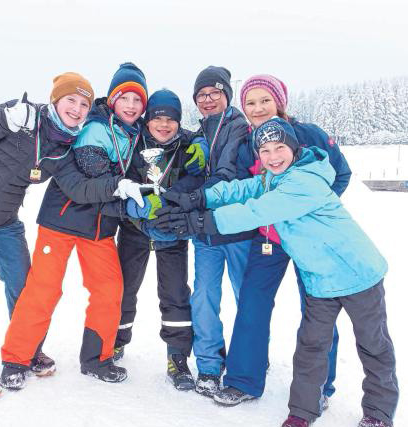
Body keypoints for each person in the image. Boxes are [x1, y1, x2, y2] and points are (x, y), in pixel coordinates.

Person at [152, 117, 398, 427]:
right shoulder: (273, 178)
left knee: (373, 344)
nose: (272, 156)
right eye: (264, 150)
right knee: (311, 347)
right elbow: (240, 189)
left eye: (279, 147)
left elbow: (256, 211)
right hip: (319, 281)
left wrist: (198, 223)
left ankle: (378, 412)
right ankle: (302, 411)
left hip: (357, 275)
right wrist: (197, 198)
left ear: (294, 149)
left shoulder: (304, 181)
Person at [0, 71, 143, 402]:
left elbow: (76, 186)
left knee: (25, 284)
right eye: (70, 101)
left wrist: (115, 187)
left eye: (83, 104)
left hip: (3, 218)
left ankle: (27, 350)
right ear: (56, 100)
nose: (76, 109)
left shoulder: (65, 147)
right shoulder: (22, 116)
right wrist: (3, 119)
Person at [0, 63, 148, 389]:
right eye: (125, 97)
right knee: (44, 289)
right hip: (63, 221)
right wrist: (121, 185)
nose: (132, 106)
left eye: (138, 101)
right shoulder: (92, 126)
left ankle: (97, 359)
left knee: (110, 291)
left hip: (101, 228)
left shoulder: (135, 134)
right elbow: (90, 173)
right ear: (112, 99)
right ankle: (16, 358)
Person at [207, 74, 352, 406]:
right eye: (250, 103)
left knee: (317, 309)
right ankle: (243, 380)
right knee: (252, 303)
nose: (257, 109)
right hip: (268, 238)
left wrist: (308, 208)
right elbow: (246, 190)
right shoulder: (247, 143)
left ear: (280, 101)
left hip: (309, 238)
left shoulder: (309, 134)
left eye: (264, 101)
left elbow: (340, 173)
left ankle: (319, 386)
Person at [167, 66, 254, 397]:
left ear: (227, 95)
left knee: (247, 298)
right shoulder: (198, 132)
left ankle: (248, 358)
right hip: (204, 232)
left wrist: (190, 198)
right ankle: (208, 364)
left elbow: (229, 174)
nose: (207, 100)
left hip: (237, 227)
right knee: (203, 296)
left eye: (214, 93)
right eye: (201, 95)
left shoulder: (240, 128)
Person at [114, 89, 208, 390]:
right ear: (148, 119)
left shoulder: (189, 144)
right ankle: (116, 341)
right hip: (134, 229)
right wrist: (132, 202)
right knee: (124, 290)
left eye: (171, 119)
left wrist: (171, 198)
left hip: (172, 232)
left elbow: (197, 177)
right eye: (158, 118)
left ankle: (178, 357)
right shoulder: (133, 141)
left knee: (175, 295)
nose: (164, 125)